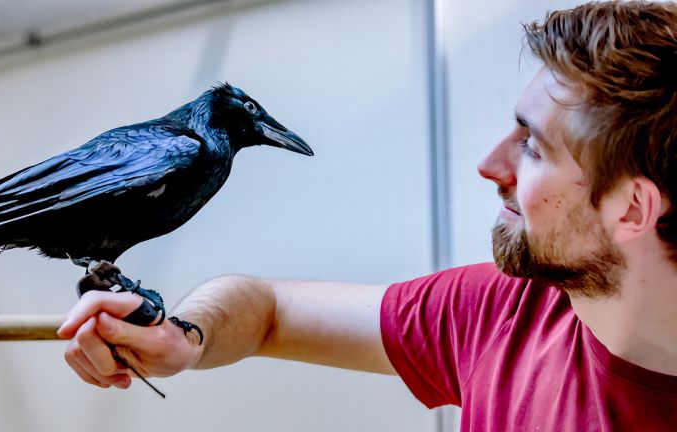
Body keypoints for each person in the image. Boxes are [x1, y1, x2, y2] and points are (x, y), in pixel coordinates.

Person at [58, 1, 677, 430]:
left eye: (534, 147)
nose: (491, 165)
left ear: (632, 208)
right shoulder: (501, 313)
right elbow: (266, 311)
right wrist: (182, 337)